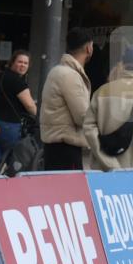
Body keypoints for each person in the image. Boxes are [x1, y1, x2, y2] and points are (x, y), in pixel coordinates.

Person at [41, 28, 93, 171]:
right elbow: (82, 116)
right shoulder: (70, 76)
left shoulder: (57, 71)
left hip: (54, 147)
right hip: (66, 148)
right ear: (89, 48)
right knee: (69, 192)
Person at [0, 50, 36, 175]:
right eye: (20, 62)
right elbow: (30, 106)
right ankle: (10, 190)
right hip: (9, 126)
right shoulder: (18, 82)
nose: (22, 65)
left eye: (25, 63)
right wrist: (39, 116)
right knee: (16, 160)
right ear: (12, 63)